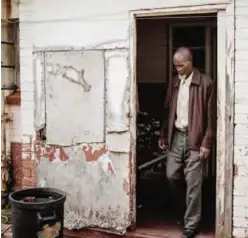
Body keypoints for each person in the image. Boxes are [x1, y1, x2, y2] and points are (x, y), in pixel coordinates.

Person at [158, 47, 216, 238]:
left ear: (191, 62)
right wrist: (164, 135)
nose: (178, 69)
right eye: (175, 66)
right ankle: (186, 212)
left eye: (181, 65)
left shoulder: (206, 83)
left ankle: (191, 225)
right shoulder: (175, 82)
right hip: (177, 136)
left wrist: (207, 142)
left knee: (194, 182)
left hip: (196, 138)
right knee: (171, 175)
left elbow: (211, 117)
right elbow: (168, 111)